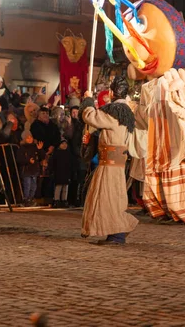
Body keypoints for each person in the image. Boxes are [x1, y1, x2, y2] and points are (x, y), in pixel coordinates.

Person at [80, 76, 138, 245]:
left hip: (110, 161)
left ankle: (118, 232)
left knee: (108, 196)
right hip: (116, 159)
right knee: (112, 195)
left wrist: (89, 100)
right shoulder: (126, 111)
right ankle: (115, 231)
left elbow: (91, 117)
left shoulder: (115, 111)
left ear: (112, 92)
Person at [17, 131, 45, 206]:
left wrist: (40, 150)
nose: (30, 139)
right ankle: (26, 199)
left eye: (31, 137)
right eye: (27, 138)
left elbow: (42, 157)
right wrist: (28, 161)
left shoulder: (35, 147)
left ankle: (31, 198)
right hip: (26, 170)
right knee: (27, 185)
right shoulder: (22, 148)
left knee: (34, 186)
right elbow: (19, 159)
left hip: (34, 170)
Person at [49, 139, 74, 208]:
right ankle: (56, 200)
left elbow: (71, 164)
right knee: (58, 187)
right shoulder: (56, 153)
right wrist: (52, 171)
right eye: (62, 144)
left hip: (66, 173)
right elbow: (52, 163)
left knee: (65, 187)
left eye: (66, 144)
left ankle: (64, 200)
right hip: (58, 172)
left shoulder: (69, 154)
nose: (64, 145)